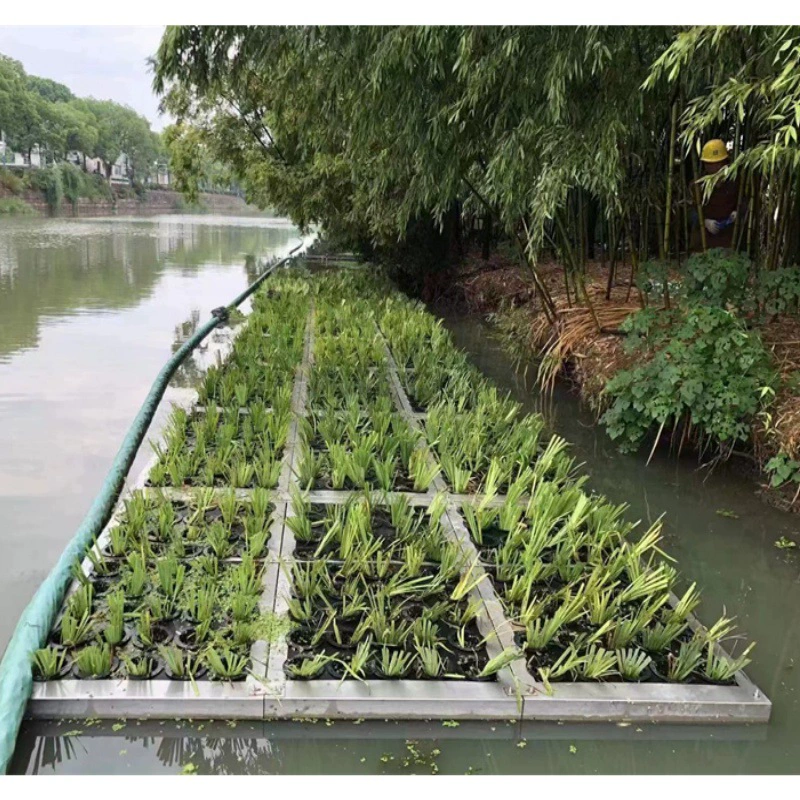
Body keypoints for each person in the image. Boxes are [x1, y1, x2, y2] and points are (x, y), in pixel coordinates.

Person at [689, 139, 740, 251]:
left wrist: (737, 212)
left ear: (725, 163)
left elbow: (744, 202)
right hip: (704, 239)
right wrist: (704, 222)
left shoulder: (734, 182)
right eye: (710, 164)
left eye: (718, 163)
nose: (715, 168)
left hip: (729, 237)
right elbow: (690, 211)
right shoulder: (698, 185)